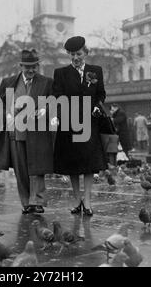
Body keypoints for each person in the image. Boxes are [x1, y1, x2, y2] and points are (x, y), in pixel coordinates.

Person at [0, 49, 54, 214]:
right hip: (15, 132)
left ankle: (38, 201)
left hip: (38, 132)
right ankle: (27, 203)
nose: (31, 70)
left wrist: (45, 109)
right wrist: (8, 114)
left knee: (38, 168)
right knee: (21, 169)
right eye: (27, 67)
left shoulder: (46, 82)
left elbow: (54, 103)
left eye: (34, 67)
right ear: (21, 66)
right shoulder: (8, 82)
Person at [52, 36, 107, 217]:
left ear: (85, 53)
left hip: (90, 124)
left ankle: (88, 200)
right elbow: (57, 96)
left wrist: (97, 108)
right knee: (73, 164)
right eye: (72, 54)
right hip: (70, 125)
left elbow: (100, 95)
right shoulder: (61, 73)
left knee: (90, 164)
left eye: (79, 54)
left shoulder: (95, 71)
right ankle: (77, 200)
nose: (76, 57)